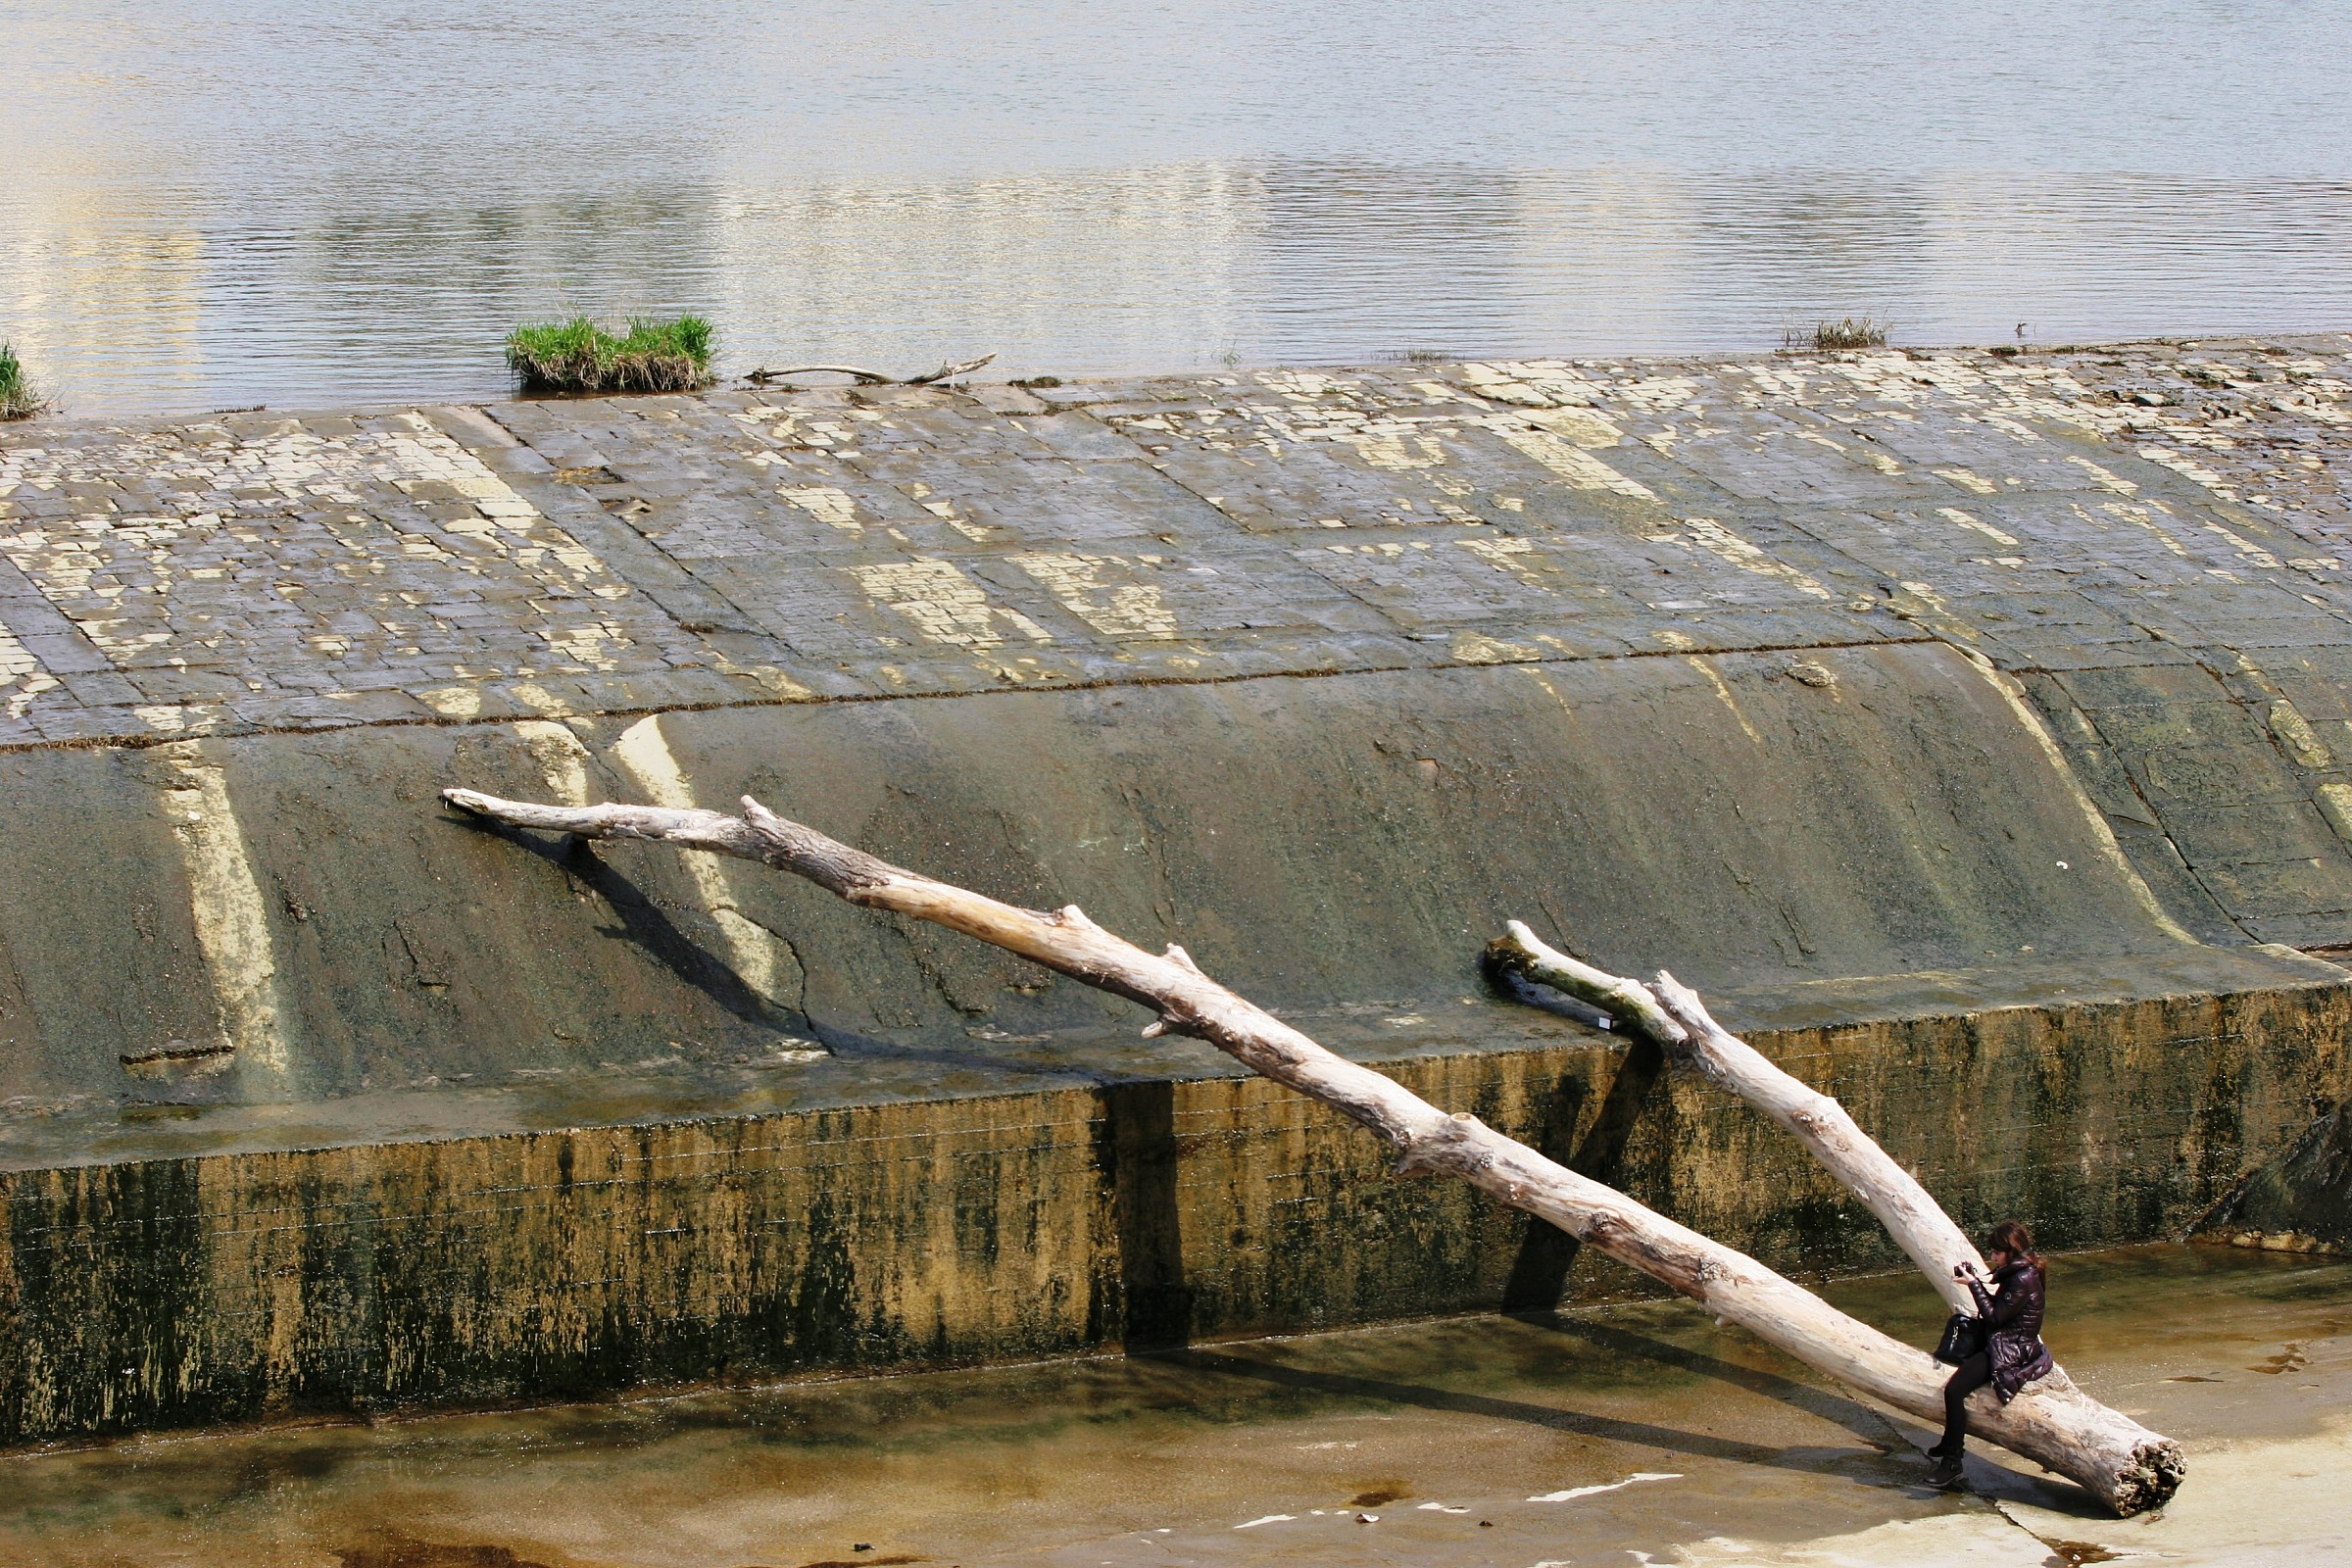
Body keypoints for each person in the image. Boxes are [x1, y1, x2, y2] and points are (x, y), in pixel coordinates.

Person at [1926, 1219, 2054, 1490]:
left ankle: (1952, 1463)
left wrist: (1973, 1283)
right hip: (2004, 1340)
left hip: (2010, 1350)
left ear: (2011, 1250)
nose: (1993, 1257)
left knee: (1954, 1390)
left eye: (1997, 1253)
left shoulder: (2023, 1277)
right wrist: (1974, 1281)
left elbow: (1995, 1317)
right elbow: (2000, 1309)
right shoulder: (2019, 1272)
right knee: (1952, 1364)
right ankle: (1949, 1442)